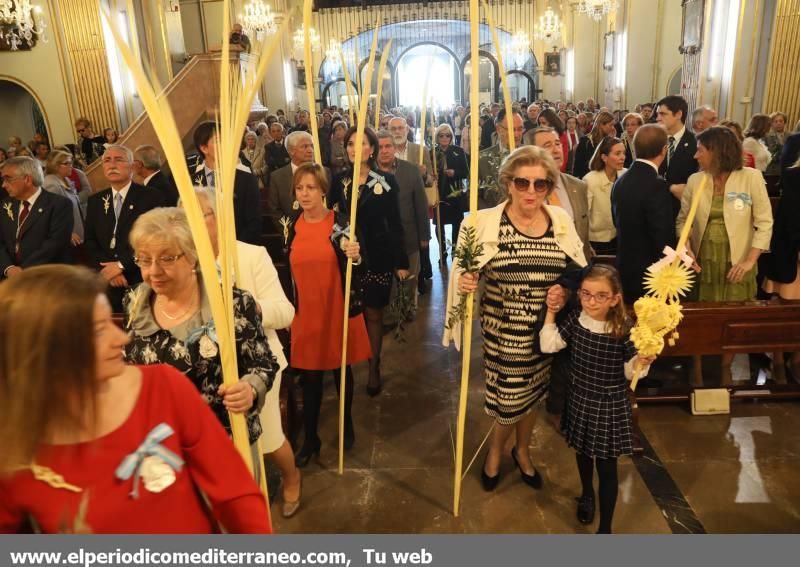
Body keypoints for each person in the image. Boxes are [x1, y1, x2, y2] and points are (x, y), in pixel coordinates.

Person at [0, 265, 270, 533]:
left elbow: (236, 494)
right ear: (43, 352)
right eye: (97, 331)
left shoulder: (162, 387)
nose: (121, 337)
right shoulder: (14, 453)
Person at [444, 146, 587, 493]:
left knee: (534, 395)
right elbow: (463, 269)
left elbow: (577, 268)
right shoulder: (482, 223)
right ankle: (496, 452)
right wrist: (465, 281)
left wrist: (565, 292)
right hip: (504, 330)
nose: (531, 192)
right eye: (522, 183)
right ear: (508, 183)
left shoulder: (560, 221)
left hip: (545, 330)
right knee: (509, 398)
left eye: (541, 185)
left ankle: (522, 451)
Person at [125, 208, 278, 477]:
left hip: (223, 444)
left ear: (194, 255)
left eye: (167, 259)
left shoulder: (232, 304)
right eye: (144, 260)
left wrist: (250, 389)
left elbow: (264, 363)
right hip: (162, 452)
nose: (153, 271)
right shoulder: (136, 303)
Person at [189, 187, 301, 518]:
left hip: (258, 364)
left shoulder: (250, 255)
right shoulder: (184, 261)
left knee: (265, 441)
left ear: (219, 218)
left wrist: (239, 309)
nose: (191, 224)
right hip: (208, 371)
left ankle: (292, 476)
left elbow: (285, 312)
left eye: (200, 214)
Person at [540, 264, 654, 534]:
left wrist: (642, 360)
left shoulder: (624, 328)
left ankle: (605, 528)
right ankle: (587, 494)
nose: (592, 301)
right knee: (581, 452)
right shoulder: (577, 318)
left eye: (601, 295)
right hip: (580, 397)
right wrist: (551, 312)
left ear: (615, 298)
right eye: (586, 294)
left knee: (606, 466)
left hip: (608, 404)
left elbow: (631, 372)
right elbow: (549, 345)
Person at [288, 163, 372, 466]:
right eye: (300, 188)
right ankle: (310, 438)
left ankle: (345, 422)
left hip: (336, 306)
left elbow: (362, 265)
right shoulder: (290, 224)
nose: (305, 193)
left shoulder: (341, 224)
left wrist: (356, 255)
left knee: (341, 371)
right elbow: (285, 269)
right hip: (305, 311)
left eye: (311, 187)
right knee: (309, 378)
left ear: (323, 190)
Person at [329, 127, 409, 396]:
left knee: (374, 314)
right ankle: (350, 363)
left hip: (378, 255)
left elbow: (395, 223)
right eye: (350, 143)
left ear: (372, 149)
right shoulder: (339, 181)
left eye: (360, 143)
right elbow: (333, 217)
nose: (353, 148)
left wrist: (401, 261)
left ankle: (374, 365)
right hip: (348, 256)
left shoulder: (384, 180)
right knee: (352, 313)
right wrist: (341, 239)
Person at [677, 126, 773, 302]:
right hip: (703, 259)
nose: (695, 156)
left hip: (738, 259)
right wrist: (686, 249)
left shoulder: (751, 177)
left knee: (736, 309)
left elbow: (765, 223)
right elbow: (683, 221)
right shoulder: (695, 180)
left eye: (700, 150)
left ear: (717, 152)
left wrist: (750, 261)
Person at [84, 145, 163, 312]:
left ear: (132, 166)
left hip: (139, 277)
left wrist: (121, 266)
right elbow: (90, 241)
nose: (112, 165)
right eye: (107, 160)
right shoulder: (95, 201)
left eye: (118, 160)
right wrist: (108, 270)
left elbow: (154, 239)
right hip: (106, 281)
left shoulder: (150, 197)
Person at [611, 124, 676, 303]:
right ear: (664, 150)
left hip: (625, 266)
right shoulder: (656, 185)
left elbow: (616, 222)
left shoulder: (620, 181)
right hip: (651, 273)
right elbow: (662, 235)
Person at [1, 156, 74, 277]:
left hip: (47, 277)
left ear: (28, 180)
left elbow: (55, 244)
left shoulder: (59, 205)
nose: (3, 185)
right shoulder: (5, 205)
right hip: (10, 277)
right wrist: (8, 268)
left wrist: (23, 270)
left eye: (8, 179)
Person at [191, 121, 261, 245]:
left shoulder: (246, 180)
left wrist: (232, 248)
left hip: (239, 250)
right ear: (204, 148)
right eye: (218, 140)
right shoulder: (191, 183)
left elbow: (254, 223)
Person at [433, 123, 470, 261]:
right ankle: (442, 250)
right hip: (439, 193)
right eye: (441, 135)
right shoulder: (433, 152)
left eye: (447, 135)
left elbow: (466, 172)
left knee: (457, 222)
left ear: (451, 137)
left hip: (454, 192)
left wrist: (454, 172)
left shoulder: (458, 151)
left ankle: (455, 249)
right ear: (437, 137)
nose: (444, 138)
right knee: (438, 224)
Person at [584, 137, 626, 255]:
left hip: (621, 237)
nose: (623, 157)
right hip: (597, 241)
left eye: (624, 153)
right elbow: (583, 215)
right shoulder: (590, 179)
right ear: (604, 157)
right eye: (617, 153)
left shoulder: (626, 175)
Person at [656, 95, 698, 212]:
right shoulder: (654, 141)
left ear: (678, 114)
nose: (658, 118)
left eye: (663, 114)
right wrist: (670, 187)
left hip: (683, 209)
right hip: (656, 208)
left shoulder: (695, 143)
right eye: (657, 114)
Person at [42, 150, 85, 248]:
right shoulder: (51, 185)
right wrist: (68, 233)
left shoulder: (66, 180)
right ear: (55, 165)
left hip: (77, 232)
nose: (71, 166)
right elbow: (52, 216)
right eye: (67, 163)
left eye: (71, 162)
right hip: (68, 237)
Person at [573, 111, 615, 179]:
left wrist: (612, 141)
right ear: (601, 125)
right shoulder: (586, 141)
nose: (613, 128)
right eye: (611, 125)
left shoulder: (610, 140)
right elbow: (578, 166)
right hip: (588, 179)